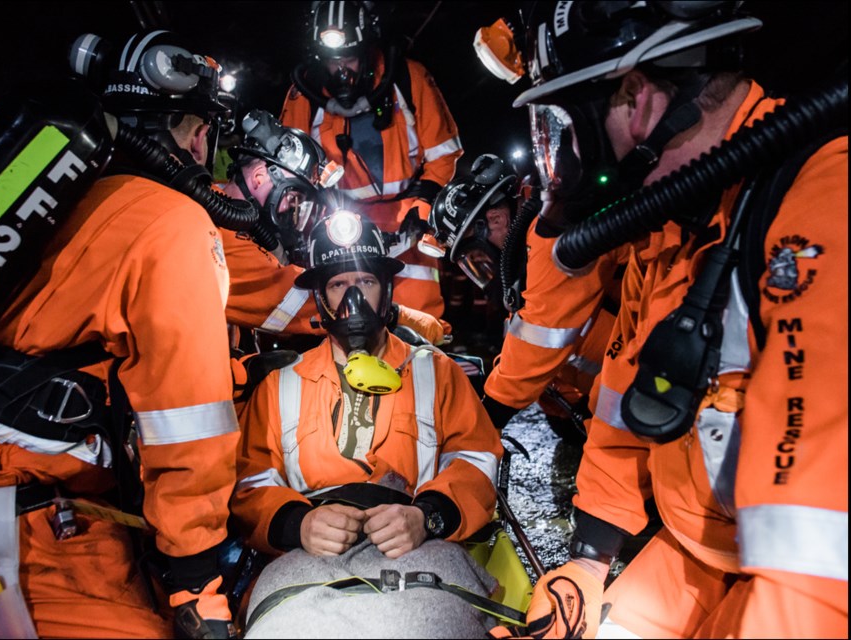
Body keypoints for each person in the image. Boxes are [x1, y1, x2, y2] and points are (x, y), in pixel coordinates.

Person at [487, 2, 848, 638]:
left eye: (570, 124)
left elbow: (817, 564)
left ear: (638, 96)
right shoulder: (672, 226)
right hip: (698, 557)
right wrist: (589, 562)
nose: (565, 156)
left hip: (800, 591)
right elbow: (626, 397)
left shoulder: (823, 198)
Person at [0, 30, 246, 639]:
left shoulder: (46, 192)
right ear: (193, 133)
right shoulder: (170, 223)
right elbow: (189, 426)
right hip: (19, 525)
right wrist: (196, 582)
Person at [229, 210, 504, 637]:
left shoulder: (436, 371)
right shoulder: (279, 384)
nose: (353, 298)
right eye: (338, 285)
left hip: (421, 550)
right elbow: (250, 483)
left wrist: (426, 517)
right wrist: (297, 524)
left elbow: (477, 459)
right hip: (305, 559)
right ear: (319, 297)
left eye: (366, 282)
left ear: (387, 290)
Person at [280, 0, 463, 320]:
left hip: (407, 229)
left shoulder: (409, 78)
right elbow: (289, 167)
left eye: (348, 59)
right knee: (343, 322)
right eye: (332, 62)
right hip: (338, 229)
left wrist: (421, 209)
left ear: (366, 50)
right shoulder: (304, 94)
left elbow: (444, 153)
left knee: (419, 323)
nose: (341, 71)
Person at [428, 153, 624, 444]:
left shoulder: (550, 234)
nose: (481, 266)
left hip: (659, 370)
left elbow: (540, 341)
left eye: (475, 254)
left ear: (496, 219)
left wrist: (489, 412)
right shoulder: (525, 263)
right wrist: (569, 412)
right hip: (629, 381)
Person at [219, 109, 445, 347]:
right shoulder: (217, 228)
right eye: (293, 197)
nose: (291, 211)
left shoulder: (237, 229)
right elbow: (284, 298)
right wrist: (392, 313)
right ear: (258, 178)